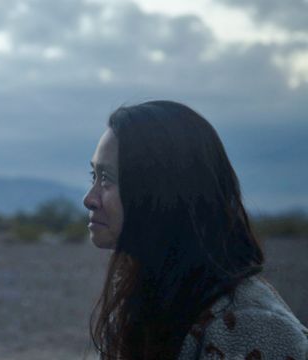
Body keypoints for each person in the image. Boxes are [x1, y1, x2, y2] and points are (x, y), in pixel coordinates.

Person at [83, 101, 308, 359]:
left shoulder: (253, 327)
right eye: (94, 176)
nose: (89, 198)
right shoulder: (143, 300)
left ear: (163, 192)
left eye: (108, 178)